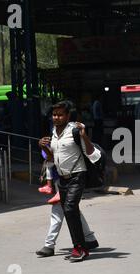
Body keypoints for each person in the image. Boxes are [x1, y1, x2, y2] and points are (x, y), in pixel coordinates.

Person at [39, 101, 101, 262]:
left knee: (70, 208)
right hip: (62, 178)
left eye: (60, 115)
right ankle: (87, 241)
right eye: (54, 115)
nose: (56, 118)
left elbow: (91, 152)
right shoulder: (53, 132)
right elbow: (52, 158)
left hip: (77, 175)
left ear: (67, 116)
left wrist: (84, 135)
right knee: (69, 211)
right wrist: (43, 147)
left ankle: (80, 248)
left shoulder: (74, 130)